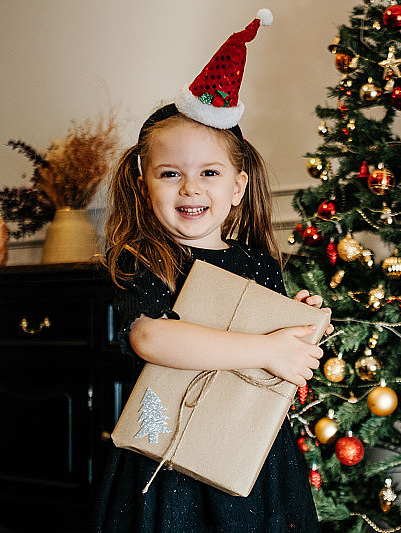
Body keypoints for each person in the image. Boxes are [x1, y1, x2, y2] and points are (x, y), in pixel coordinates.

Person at [91, 10, 324, 532]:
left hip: (250, 454)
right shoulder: (143, 259)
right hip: (166, 456)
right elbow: (152, 339)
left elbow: (275, 359)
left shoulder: (257, 263)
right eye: (170, 173)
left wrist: (292, 326)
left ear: (237, 187)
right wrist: (267, 347)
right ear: (144, 183)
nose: (190, 189)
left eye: (209, 173)